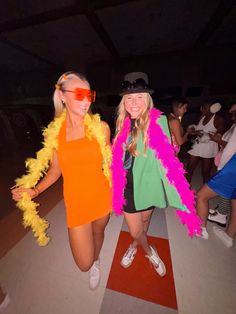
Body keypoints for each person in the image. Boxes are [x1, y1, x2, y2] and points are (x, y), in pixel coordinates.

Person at [11, 71, 112, 289]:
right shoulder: (54, 135)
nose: (86, 100)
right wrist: (35, 191)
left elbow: (111, 163)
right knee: (82, 263)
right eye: (79, 94)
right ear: (62, 96)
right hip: (75, 201)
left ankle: (97, 260)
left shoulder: (101, 128)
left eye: (89, 94)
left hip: (102, 195)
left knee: (99, 233)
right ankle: (91, 262)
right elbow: (55, 171)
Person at [111, 72, 201, 277]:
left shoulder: (157, 120)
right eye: (129, 98)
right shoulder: (121, 122)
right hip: (126, 186)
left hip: (149, 183)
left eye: (139, 97)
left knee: (144, 223)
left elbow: (166, 160)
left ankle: (134, 246)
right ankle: (149, 250)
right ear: (123, 102)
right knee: (135, 229)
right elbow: (118, 155)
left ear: (148, 100)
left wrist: (181, 196)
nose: (133, 103)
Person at [197, 122, 236, 246]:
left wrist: (222, 168)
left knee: (201, 196)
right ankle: (229, 236)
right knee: (235, 203)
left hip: (232, 169)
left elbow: (231, 149)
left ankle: (201, 229)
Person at [207, 104, 236, 226]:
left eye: (233, 109)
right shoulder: (234, 125)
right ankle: (222, 211)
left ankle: (222, 215)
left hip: (230, 162)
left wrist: (217, 140)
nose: (230, 111)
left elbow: (232, 147)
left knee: (224, 188)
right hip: (227, 160)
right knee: (227, 189)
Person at [186, 101, 224, 183]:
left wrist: (204, 134)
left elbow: (219, 136)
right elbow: (198, 129)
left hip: (209, 147)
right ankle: (184, 189)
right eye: (201, 107)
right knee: (189, 168)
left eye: (204, 108)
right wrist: (193, 130)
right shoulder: (202, 117)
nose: (201, 109)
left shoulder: (218, 119)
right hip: (197, 144)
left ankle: (205, 191)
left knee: (205, 172)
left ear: (212, 109)